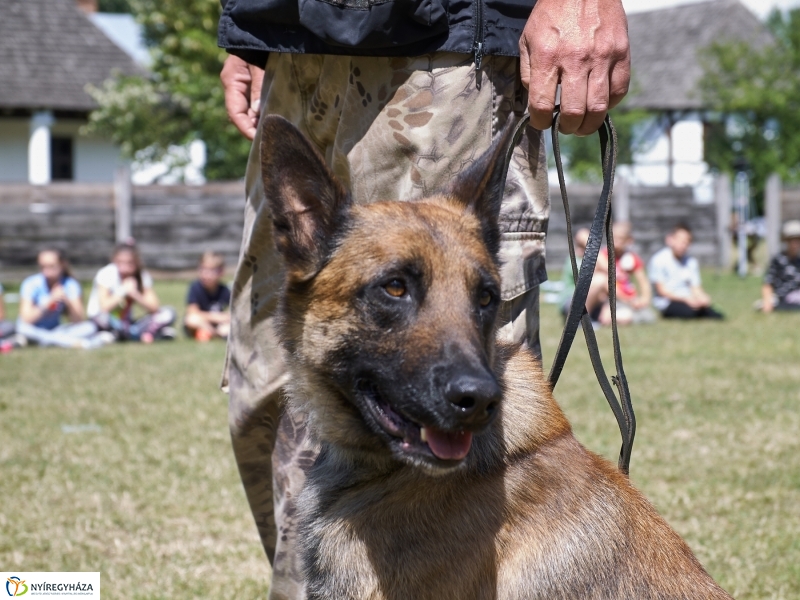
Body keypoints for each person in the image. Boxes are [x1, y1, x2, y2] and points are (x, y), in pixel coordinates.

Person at [218, 0, 631, 594]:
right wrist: (253, 33)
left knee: (454, 431)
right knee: (269, 405)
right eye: (394, 291)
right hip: (296, 41)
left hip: (450, 48)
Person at [16, 249, 109, 349]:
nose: (46, 272)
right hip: (33, 329)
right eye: (43, 267)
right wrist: (49, 301)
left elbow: (78, 321)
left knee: (90, 327)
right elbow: (26, 319)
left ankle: (44, 341)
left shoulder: (71, 285)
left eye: (51, 266)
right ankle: (84, 344)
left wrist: (67, 301)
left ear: (62, 265)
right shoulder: (30, 283)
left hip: (56, 330)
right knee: (22, 328)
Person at [87, 242, 176, 342]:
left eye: (129, 263)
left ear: (137, 262)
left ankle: (124, 335)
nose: (124, 268)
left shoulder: (141, 275)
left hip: (129, 325)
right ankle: (150, 334)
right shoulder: (106, 273)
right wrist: (123, 290)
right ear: (114, 261)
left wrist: (135, 294)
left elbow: (154, 308)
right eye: (120, 263)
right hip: (107, 320)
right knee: (101, 318)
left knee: (168, 312)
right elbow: (104, 307)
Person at [648, 223, 723, 320]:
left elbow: (695, 287)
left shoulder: (691, 262)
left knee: (717, 315)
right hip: (669, 302)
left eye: (686, 242)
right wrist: (686, 299)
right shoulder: (659, 260)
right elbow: (662, 291)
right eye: (680, 241)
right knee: (691, 312)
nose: (682, 245)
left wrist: (702, 298)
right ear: (670, 240)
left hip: (689, 299)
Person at [586, 221, 654, 326]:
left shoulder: (631, 258)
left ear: (629, 240)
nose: (616, 241)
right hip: (608, 300)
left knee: (648, 316)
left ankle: (623, 316)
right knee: (618, 316)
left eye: (620, 238)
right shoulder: (602, 257)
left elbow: (643, 281)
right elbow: (602, 284)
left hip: (627, 300)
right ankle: (589, 319)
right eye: (613, 238)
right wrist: (628, 300)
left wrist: (644, 299)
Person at [184, 251, 232, 340]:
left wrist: (226, 318)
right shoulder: (195, 287)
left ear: (221, 272)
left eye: (211, 271)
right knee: (191, 320)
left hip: (218, 325)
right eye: (203, 270)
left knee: (232, 325)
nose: (206, 275)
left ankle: (213, 333)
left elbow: (232, 312)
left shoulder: (224, 290)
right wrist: (217, 317)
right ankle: (216, 334)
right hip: (202, 323)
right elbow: (192, 312)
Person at [761, 220, 800, 313]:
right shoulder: (778, 259)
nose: (795, 243)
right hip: (783, 297)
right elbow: (768, 283)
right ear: (785, 240)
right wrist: (767, 302)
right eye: (791, 239)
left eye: (797, 239)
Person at [558, 227, 591, 318]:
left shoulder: (590, 258)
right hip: (570, 301)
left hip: (591, 301)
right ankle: (581, 321)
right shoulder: (573, 259)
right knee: (599, 280)